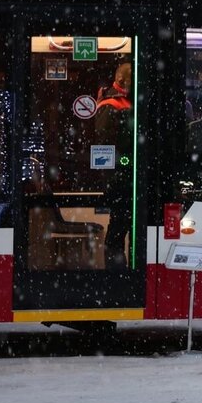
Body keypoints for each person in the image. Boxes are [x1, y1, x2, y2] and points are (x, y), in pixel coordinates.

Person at [94, 62, 134, 269]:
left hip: (125, 180)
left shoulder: (126, 102)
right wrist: (126, 164)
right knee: (117, 233)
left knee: (121, 230)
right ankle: (116, 276)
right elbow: (108, 147)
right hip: (120, 181)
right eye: (131, 80)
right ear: (120, 81)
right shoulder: (111, 105)